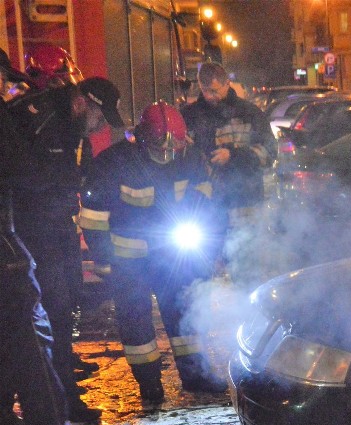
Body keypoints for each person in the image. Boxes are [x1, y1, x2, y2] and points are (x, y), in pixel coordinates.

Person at [79, 101, 229, 402]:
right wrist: (105, 259)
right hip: (128, 261)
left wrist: (209, 252)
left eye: (173, 150)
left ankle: (196, 376)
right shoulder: (113, 163)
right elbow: (93, 218)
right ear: (142, 138)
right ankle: (149, 385)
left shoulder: (190, 160)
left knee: (184, 314)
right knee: (136, 324)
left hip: (174, 256)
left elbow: (208, 207)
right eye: (160, 149)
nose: (166, 155)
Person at [0, 48, 102, 425]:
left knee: (33, 324)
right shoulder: (23, 115)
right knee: (31, 326)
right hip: (17, 236)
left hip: (31, 229)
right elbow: (20, 170)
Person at [8, 76, 126, 424]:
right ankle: (60, 407)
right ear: (82, 102)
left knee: (64, 306)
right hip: (32, 232)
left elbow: (76, 173)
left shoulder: (70, 126)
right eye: (100, 117)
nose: (102, 126)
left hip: (57, 228)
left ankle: (61, 400)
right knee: (49, 315)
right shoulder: (40, 118)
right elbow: (24, 177)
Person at [180, 62, 276, 221]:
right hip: (204, 207)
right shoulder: (189, 116)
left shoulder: (249, 113)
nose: (210, 96)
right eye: (205, 91)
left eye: (214, 91)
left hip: (244, 204)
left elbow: (270, 151)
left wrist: (232, 156)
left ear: (227, 84)